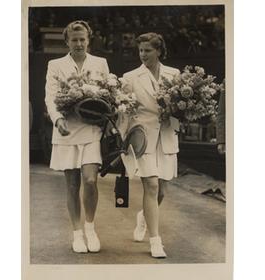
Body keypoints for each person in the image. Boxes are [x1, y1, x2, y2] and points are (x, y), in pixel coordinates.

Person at [45, 20, 109, 253]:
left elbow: (108, 94)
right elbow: (51, 98)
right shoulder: (55, 64)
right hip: (66, 130)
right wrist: (58, 119)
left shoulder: (100, 63)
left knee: (90, 180)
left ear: (88, 40)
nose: (79, 43)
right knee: (72, 184)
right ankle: (77, 234)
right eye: (75, 40)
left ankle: (90, 228)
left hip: (92, 130)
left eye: (83, 39)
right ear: (67, 42)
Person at [121, 33, 180, 258]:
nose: (143, 54)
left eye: (148, 50)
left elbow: (181, 110)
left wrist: (174, 116)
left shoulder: (174, 75)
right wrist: (123, 139)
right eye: (141, 51)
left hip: (166, 137)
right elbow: (124, 111)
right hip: (142, 137)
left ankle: (143, 216)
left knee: (162, 191)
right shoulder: (130, 77)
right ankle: (156, 241)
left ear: (159, 51)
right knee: (152, 187)